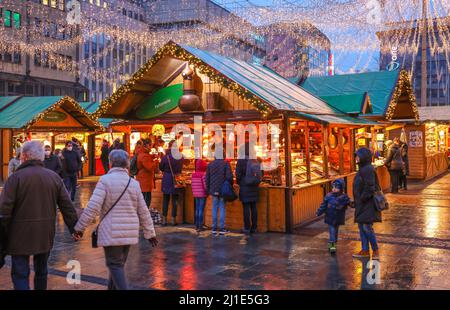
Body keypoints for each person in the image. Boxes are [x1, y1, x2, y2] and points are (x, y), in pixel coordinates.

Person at [0, 140, 80, 290]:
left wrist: (3, 232)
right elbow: (67, 205)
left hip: (19, 234)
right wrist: (75, 228)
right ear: (41, 157)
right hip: (45, 232)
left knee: (20, 273)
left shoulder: (15, 179)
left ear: (24, 156)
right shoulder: (53, 177)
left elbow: (4, 209)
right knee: (41, 271)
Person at [74, 150, 158, 290]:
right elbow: (143, 211)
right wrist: (150, 233)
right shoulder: (133, 183)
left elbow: (93, 208)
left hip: (111, 232)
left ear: (110, 163)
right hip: (129, 232)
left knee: (115, 265)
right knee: (118, 266)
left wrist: (79, 228)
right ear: (127, 164)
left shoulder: (105, 181)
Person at [352, 147, 381, 260]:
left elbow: (370, 187)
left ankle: (375, 250)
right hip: (362, 204)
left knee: (367, 227)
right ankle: (364, 250)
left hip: (367, 204)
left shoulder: (368, 169)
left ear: (363, 157)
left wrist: (362, 199)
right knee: (361, 226)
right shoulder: (363, 168)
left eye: (358, 156)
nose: (356, 158)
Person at [316, 179, 351, 254]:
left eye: (336, 187)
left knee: (332, 232)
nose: (334, 189)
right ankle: (334, 244)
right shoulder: (344, 196)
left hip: (331, 216)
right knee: (335, 231)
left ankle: (332, 247)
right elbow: (350, 203)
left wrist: (319, 212)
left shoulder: (329, 196)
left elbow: (323, 206)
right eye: (333, 187)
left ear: (341, 188)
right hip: (337, 217)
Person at [235, 143, 262, 235]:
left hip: (244, 186)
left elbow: (237, 174)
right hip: (254, 186)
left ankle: (247, 228)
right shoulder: (256, 160)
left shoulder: (241, 161)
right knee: (254, 207)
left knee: (246, 207)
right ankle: (254, 227)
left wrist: (240, 182)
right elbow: (261, 173)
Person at [206, 151, 233, 236]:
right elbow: (229, 177)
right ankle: (222, 228)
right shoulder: (226, 164)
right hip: (222, 190)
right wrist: (230, 184)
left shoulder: (210, 165)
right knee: (222, 208)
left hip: (213, 189)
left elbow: (207, 178)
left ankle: (214, 228)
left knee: (214, 208)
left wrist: (208, 188)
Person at [159, 140, 183, 226]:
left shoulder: (165, 157)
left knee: (166, 199)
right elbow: (180, 168)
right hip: (176, 179)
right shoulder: (180, 156)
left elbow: (161, 167)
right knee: (175, 200)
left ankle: (164, 219)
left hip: (167, 178)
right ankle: (173, 219)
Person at [136, 139, 156, 209]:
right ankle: (144, 216)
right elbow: (149, 167)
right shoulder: (144, 155)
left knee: (145, 199)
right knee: (146, 200)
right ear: (146, 145)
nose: (151, 147)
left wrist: (152, 157)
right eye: (150, 145)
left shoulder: (143, 153)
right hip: (144, 181)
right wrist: (155, 162)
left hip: (143, 180)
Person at [191, 159, 208, 232]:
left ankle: (197, 225)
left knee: (197, 209)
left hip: (195, 194)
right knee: (201, 209)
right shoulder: (203, 174)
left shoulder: (193, 174)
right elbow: (205, 185)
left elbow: (192, 185)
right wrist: (207, 192)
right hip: (202, 194)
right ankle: (200, 226)